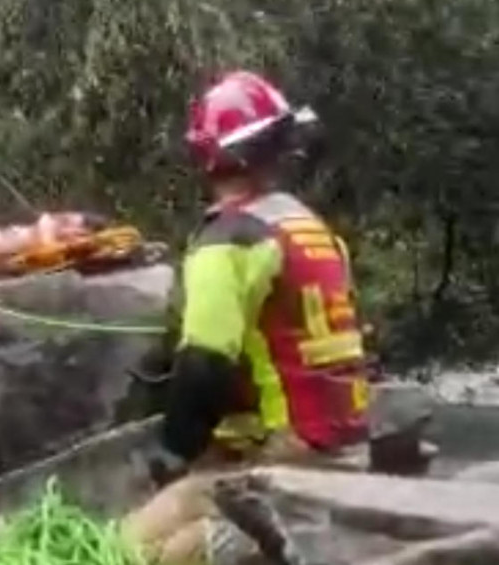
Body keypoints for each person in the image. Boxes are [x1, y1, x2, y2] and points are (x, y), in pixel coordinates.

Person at [122, 71, 371, 565]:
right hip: (345, 447)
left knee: (130, 546)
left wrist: (172, 455)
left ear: (209, 155)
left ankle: (247, 547)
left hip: (288, 454)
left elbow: (204, 365)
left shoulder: (229, 240)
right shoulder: (307, 225)